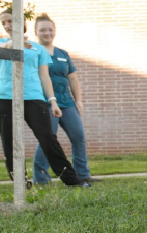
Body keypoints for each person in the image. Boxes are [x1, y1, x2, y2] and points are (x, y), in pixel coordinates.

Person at [0, 9, 90, 188]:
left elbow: (45, 77)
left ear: (21, 22)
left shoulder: (38, 49)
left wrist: (52, 101)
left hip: (34, 98)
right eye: (4, 23)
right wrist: (12, 44)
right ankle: (20, 182)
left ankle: (72, 180)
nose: (7, 26)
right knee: (9, 142)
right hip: (5, 97)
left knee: (48, 138)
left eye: (11, 21)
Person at [31, 13, 101, 184]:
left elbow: (73, 78)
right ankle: (41, 178)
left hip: (66, 103)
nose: (47, 33)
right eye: (42, 30)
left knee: (78, 136)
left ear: (54, 31)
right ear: (36, 32)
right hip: (45, 103)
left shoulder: (62, 54)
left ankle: (82, 174)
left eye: (50, 29)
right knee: (48, 139)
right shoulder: (33, 51)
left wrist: (78, 100)